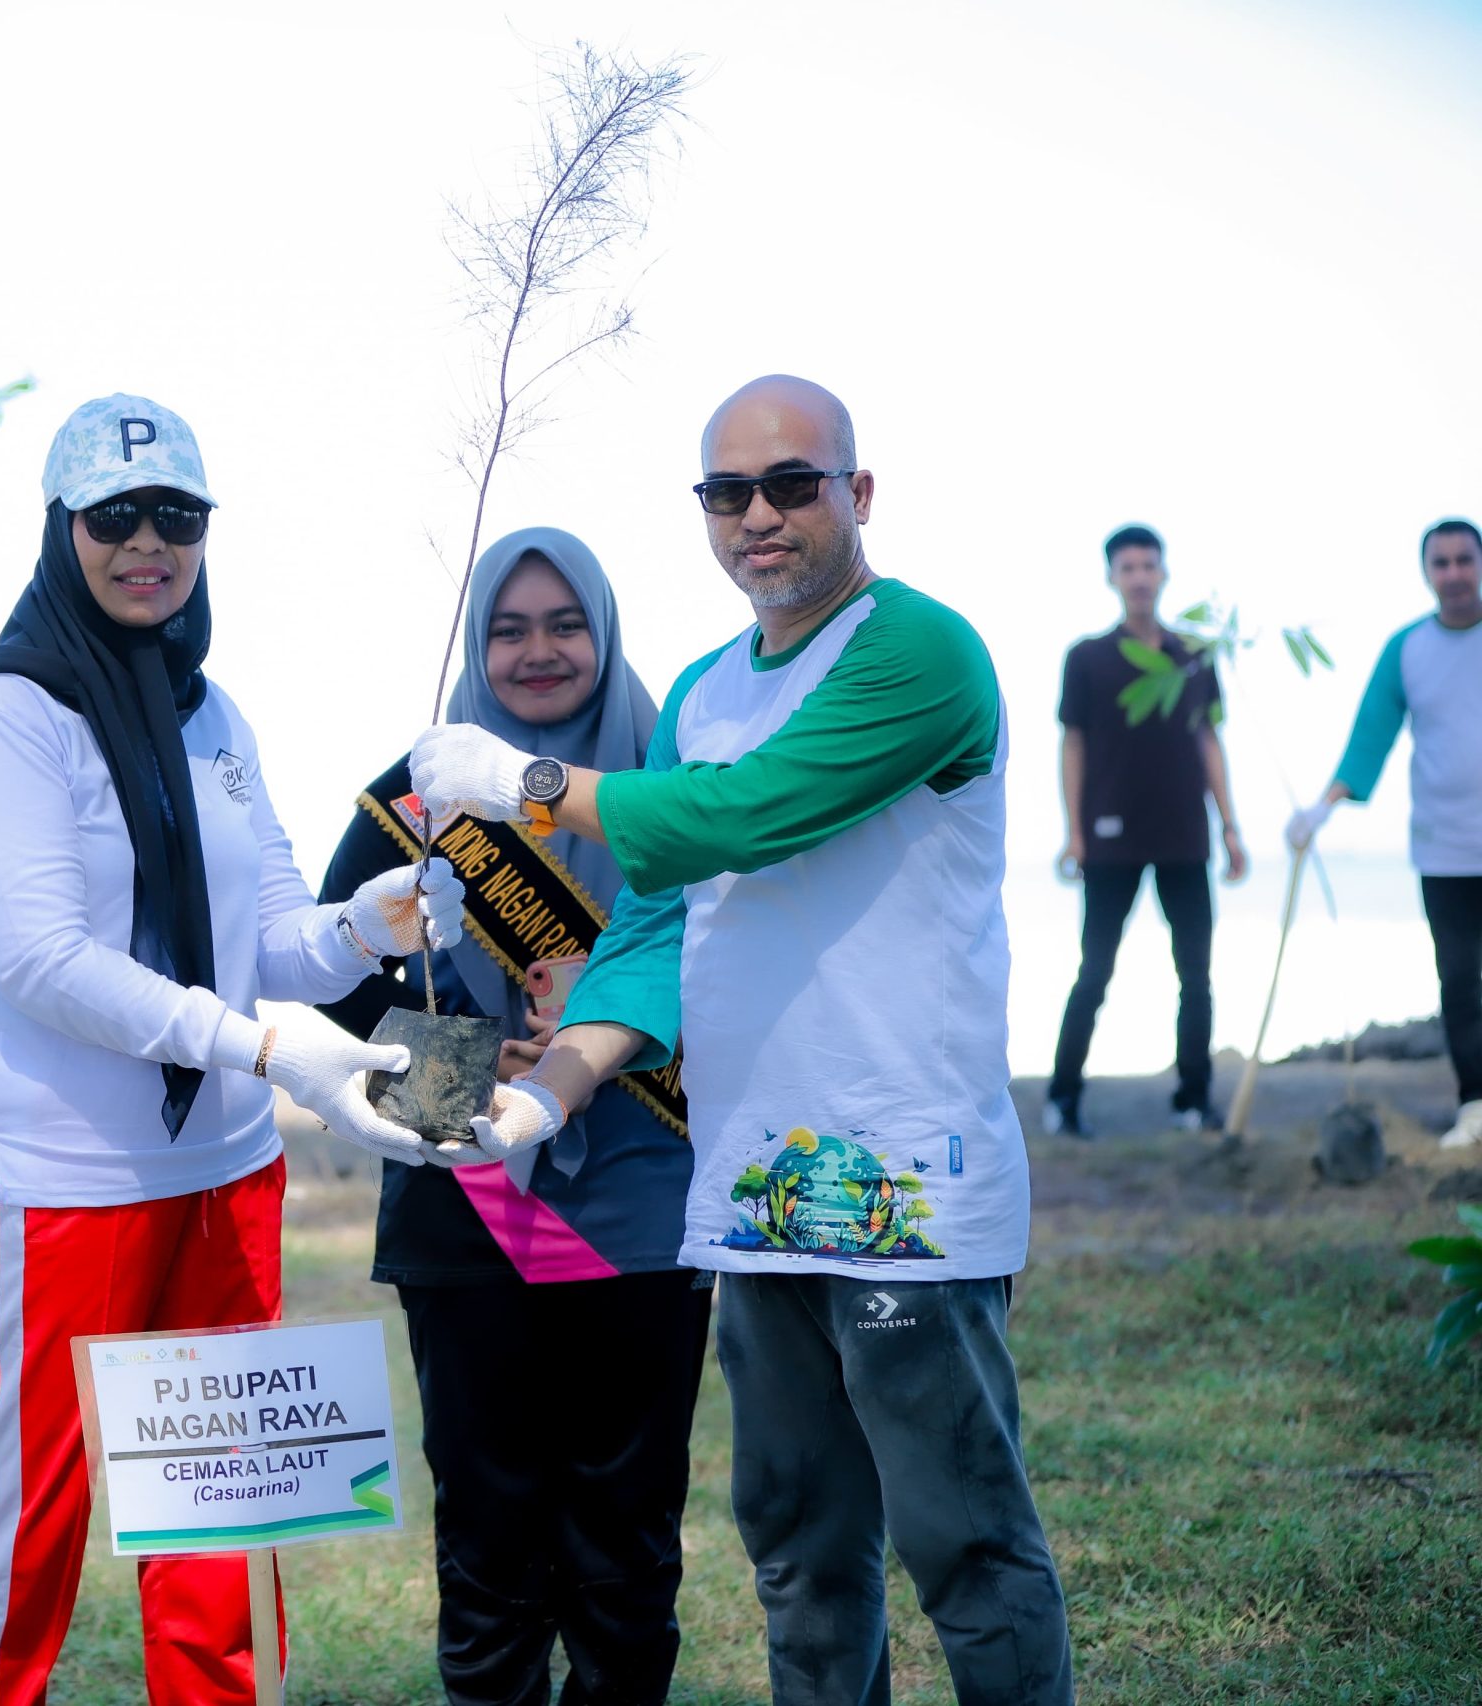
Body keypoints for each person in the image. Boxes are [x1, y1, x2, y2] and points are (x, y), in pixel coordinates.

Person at [414, 376, 1074, 1705]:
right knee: (799, 1550)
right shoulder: (704, 693)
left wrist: (525, 784)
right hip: (749, 1196)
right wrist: (549, 1096)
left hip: (904, 1193)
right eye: (729, 491)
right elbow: (657, 930)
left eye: (792, 483)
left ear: (858, 494)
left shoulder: (919, 650)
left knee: (966, 1547)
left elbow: (743, 817)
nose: (759, 516)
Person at [0, 393, 463, 1706]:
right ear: (61, 530)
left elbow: (261, 937)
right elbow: (44, 962)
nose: (147, 542)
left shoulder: (214, 717)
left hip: (219, 1180)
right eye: (115, 516)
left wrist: (361, 928)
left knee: (223, 1547)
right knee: (16, 1545)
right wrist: (265, 1045)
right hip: (54, 1187)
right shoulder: (2, 714)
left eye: (179, 517)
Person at [315, 527, 708, 1706]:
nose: (537, 651)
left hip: (642, 1192)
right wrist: (483, 1053)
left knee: (627, 1531)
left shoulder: (669, 786)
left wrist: (599, 1028)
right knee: (485, 1526)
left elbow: (739, 968)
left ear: (605, 629)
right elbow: (333, 978)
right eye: (507, 628)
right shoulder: (419, 793)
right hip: (465, 1191)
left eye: (563, 624)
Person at [1044, 523, 1247, 1137]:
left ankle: (1193, 1100)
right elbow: (1071, 744)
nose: (1138, 577)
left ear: (1163, 574)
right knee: (1095, 971)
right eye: (1127, 567)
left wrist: (1231, 828)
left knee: (1196, 975)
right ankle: (1063, 1099)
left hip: (1186, 834)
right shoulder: (1087, 657)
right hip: (1109, 838)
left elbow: (1208, 738)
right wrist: (1074, 832)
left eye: (1148, 566)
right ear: (1112, 576)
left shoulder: (1193, 655)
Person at [1288, 517, 1482, 1149]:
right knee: (1458, 978)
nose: (1454, 574)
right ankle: (1475, 1106)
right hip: (1445, 850)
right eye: (1441, 563)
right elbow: (1370, 734)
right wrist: (1322, 808)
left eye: (1464, 560)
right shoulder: (1408, 649)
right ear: (1427, 572)